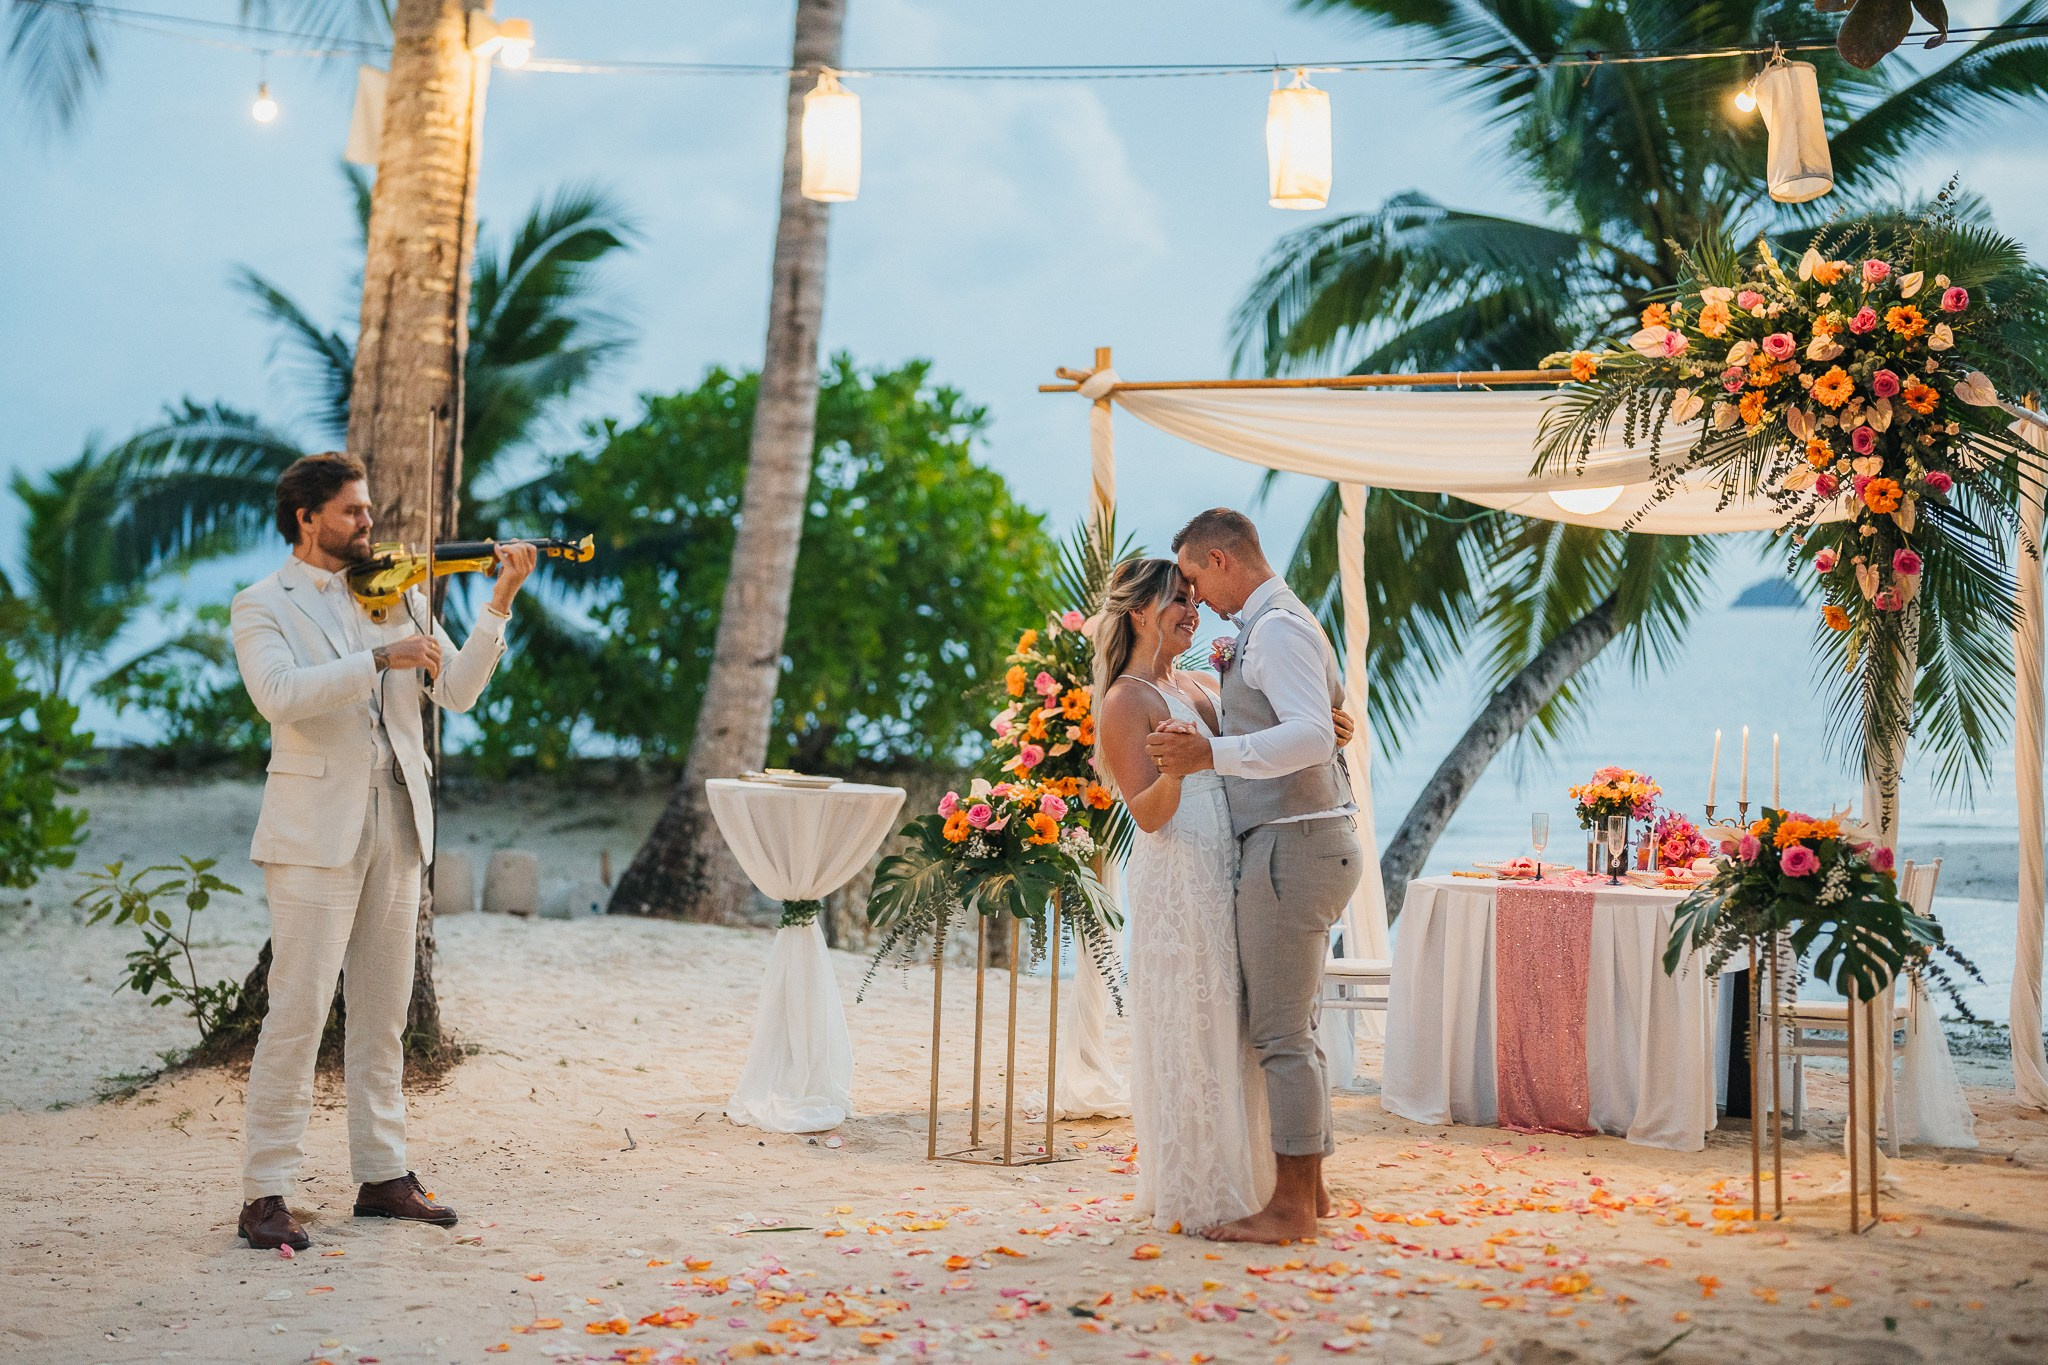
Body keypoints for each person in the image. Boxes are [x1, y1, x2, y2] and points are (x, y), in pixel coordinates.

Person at [229, 452, 535, 1251]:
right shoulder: (261, 603)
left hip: (398, 820)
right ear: (307, 518)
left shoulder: (397, 590)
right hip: (312, 831)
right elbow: (279, 696)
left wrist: (498, 602)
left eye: (367, 509)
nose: (370, 522)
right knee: (298, 1012)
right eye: (353, 511)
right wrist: (377, 657)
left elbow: (457, 690)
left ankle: (383, 1174)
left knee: (382, 1012)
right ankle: (265, 1192)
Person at [1092, 554, 1356, 1236]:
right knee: (1194, 1021)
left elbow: (1261, 749)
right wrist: (1178, 771)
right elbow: (1148, 814)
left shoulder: (1201, 684)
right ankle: (1205, 1182)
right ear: (1139, 613)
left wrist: (1325, 731)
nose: (1194, 609)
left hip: (1233, 862)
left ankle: (1273, 1178)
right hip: (1180, 878)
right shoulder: (1125, 701)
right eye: (1178, 599)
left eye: (1193, 596)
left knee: (1244, 1023)